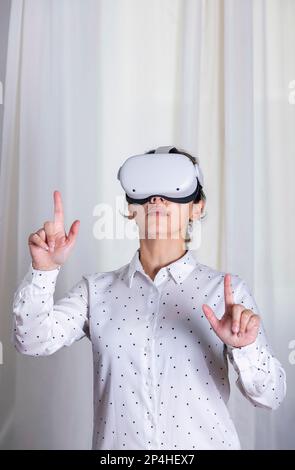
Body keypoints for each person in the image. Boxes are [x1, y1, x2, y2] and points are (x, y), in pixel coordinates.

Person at [12, 146, 286, 450]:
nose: (157, 198)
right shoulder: (95, 291)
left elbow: (271, 396)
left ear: (197, 207)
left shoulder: (226, 293)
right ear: (130, 207)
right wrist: (44, 270)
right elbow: (32, 340)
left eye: (173, 188)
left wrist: (246, 347)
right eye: (145, 189)